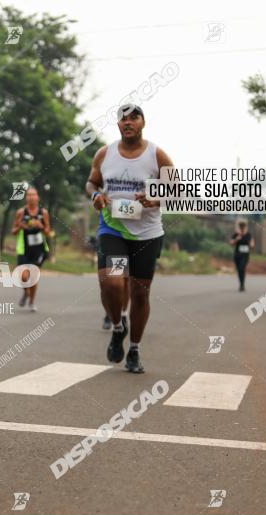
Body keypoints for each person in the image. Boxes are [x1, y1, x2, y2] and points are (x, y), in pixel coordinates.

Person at [86, 105, 174, 373]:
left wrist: (155, 199)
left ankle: (134, 348)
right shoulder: (105, 153)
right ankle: (117, 327)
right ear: (118, 125)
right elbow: (91, 183)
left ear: (143, 123)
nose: (128, 122)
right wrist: (95, 196)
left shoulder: (157, 155)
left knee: (139, 293)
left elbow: (177, 190)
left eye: (133, 117)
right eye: (123, 118)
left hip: (146, 234)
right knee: (112, 283)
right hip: (113, 230)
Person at [12, 186, 53, 312]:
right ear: (26, 198)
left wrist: (41, 226)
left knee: (33, 276)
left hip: (39, 249)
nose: (31, 197)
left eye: (34, 195)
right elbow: (13, 231)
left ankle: (32, 301)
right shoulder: (20, 212)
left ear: (38, 197)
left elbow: (48, 232)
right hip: (24, 248)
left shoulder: (43, 213)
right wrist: (20, 226)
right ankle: (26, 293)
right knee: (23, 277)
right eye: (29, 195)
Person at [229, 219, 254, 292]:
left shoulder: (248, 235)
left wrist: (251, 245)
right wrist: (237, 239)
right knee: (239, 270)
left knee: (242, 268)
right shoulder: (236, 234)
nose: (242, 227)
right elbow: (231, 243)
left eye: (243, 226)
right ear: (239, 227)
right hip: (237, 255)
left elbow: (252, 243)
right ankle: (241, 284)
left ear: (245, 226)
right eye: (241, 226)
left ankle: (242, 284)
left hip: (245, 256)